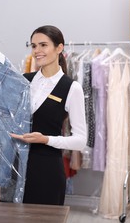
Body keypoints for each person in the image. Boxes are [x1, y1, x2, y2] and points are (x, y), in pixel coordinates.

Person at [10, 25, 87, 205]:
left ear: (59, 48)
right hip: (16, 166)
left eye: (43, 45)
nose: (37, 51)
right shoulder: (22, 81)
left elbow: (80, 140)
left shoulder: (71, 88)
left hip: (47, 170)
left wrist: (46, 139)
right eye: (34, 46)